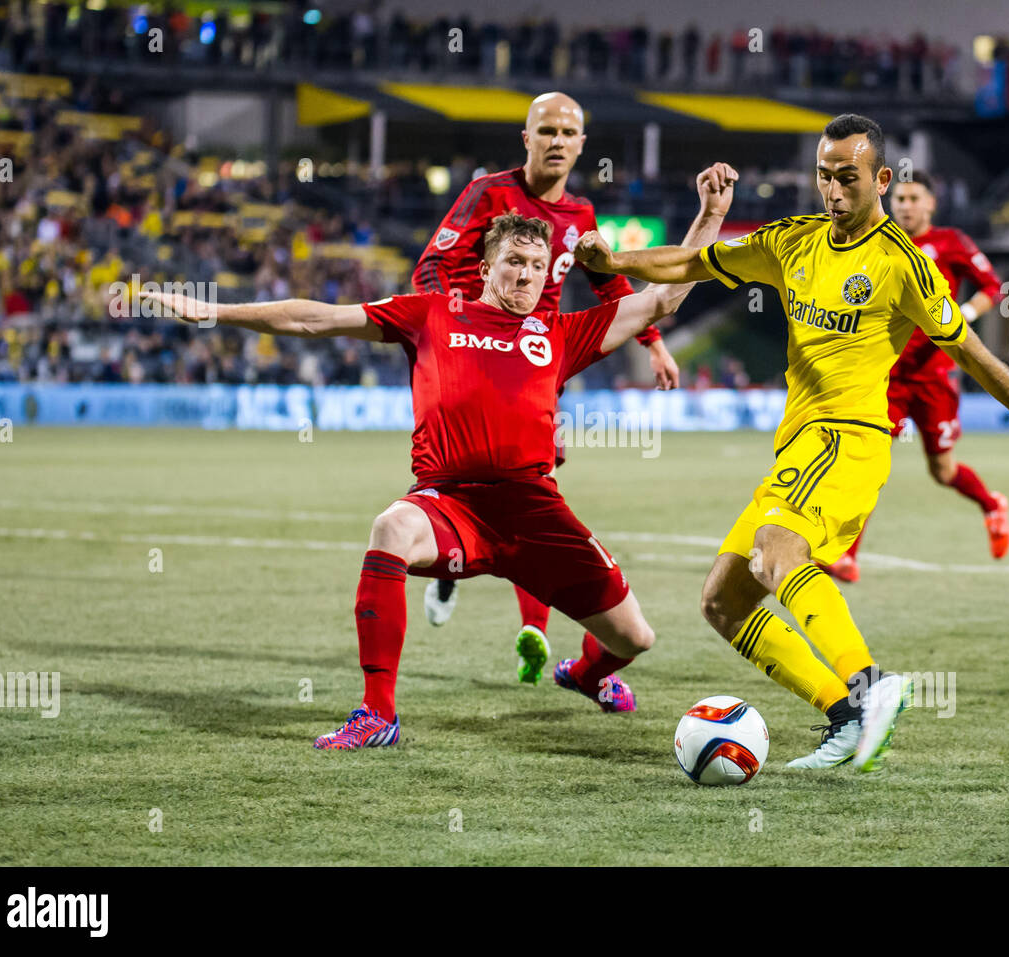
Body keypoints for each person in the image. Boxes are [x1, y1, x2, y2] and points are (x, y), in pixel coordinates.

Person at [147, 165, 737, 750]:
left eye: (537, 266)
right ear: (485, 266)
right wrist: (217, 312)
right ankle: (377, 714)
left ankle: (583, 675)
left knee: (636, 639)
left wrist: (710, 216)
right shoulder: (430, 313)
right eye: (514, 262)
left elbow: (661, 299)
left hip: (534, 512)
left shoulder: (560, 333)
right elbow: (314, 318)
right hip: (449, 505)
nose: (527, 275)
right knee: (391, 527)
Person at [573, 114, 1009, 772]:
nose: (833, 189)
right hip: (797, 449)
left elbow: (971, 353)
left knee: (776, 550)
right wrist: (615, 259)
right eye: (824, 175)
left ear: (880, 178)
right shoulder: (792, 240)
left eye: (847, 177)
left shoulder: (903, 263)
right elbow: (694, 262)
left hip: (850, 442)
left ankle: (869, 684)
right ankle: (846, 717)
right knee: (722, 601)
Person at [413, 92, 682, 680]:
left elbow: (611, 291)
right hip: (472, 357)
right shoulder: (488, 194)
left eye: (568, 131)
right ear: (527, 138)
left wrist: (654, 343)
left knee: (534, 489)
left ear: (582, 144)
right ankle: (453, 573)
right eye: (547, 130)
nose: (558, 140)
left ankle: (532, 626)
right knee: (469, 485)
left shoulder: (583, 217)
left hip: (538, 365)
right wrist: (450, 322)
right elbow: (432, 265)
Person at [824, 169, 1009, 585]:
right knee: (867, 467)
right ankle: (846, 556)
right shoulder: (879, 239)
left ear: (931, 203)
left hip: (934, 377)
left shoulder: (951, 243)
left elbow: (992, 286)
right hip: (887, 378)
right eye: (900, 199)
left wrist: (964, 315)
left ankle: (991, 504)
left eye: (913, 199)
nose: (905, 206)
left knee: (942, 472)